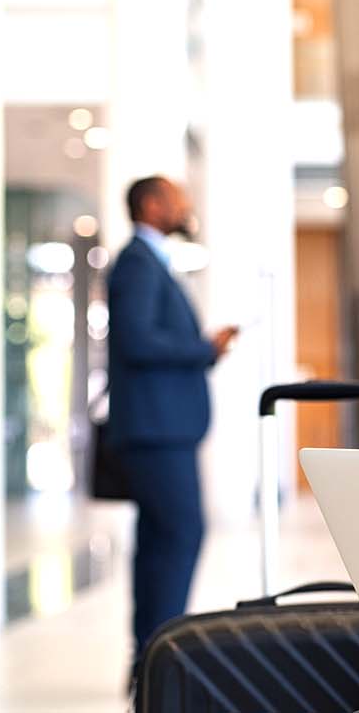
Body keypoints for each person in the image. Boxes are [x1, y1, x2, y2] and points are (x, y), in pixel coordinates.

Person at [107, 176, 237, 679]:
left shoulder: (150, 263)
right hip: (154, 432)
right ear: (152, 205)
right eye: (176, 196)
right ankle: (162, 661)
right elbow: (138, 342)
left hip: (159, 430)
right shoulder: (138, 263)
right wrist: (204, 349)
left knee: (161, 541)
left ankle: (149, 658)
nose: (185, 204)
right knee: (181, 533)